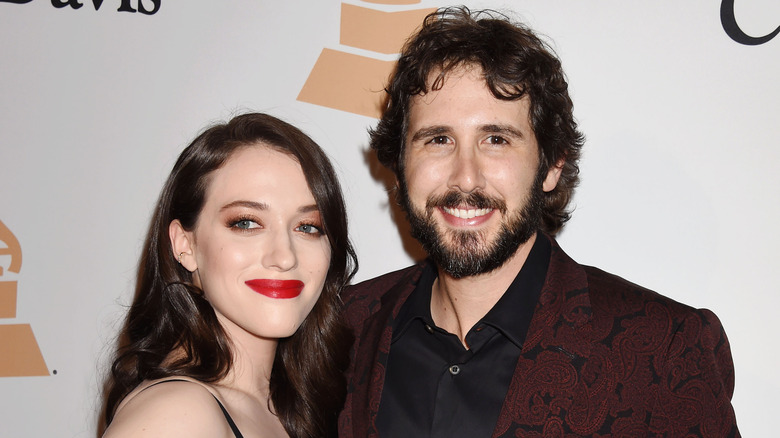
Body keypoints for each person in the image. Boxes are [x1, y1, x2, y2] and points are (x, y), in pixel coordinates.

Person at [339, 7, 739, 438]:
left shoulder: (665, 347)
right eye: (439, 139)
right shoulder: (346, 328)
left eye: (496, 140)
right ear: (400, 165)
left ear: (550, 166)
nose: (465, 177)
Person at [101, 113, 357, 438]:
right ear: (185, 245)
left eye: (308, 227)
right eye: (246, 223)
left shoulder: (290, 407)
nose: (284, 256)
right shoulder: (176, 415)